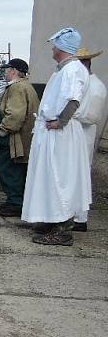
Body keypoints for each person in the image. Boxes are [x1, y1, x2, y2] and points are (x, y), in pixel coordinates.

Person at [22, 27, 91, 246]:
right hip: (53, 131)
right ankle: (51, 219)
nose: (52, 49)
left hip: (60, 134)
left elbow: (73, 99)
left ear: (62, 48)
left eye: (55, 46)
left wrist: (60, 122)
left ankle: (63, 229)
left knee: (62, 179)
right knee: (50, 178)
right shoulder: (64, 70)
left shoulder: (72, 70)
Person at [0, 58, 39, 218]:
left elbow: (15, 115)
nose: (5, 72)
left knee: (12, 170)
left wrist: (1, 130)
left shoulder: (17, 88)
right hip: (24, 137)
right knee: (18, 170)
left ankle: (15, 203)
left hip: (15, 139)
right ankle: (19, 201)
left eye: (7, 69)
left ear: (14, 71)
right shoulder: (26, 86)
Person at [73, 47, 106, 231]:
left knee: (81, 175)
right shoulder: (84, 84)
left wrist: (69, 114)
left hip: (83, 136)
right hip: (75, 136)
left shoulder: (95, 86)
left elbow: (91, 116)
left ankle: (80, 217)